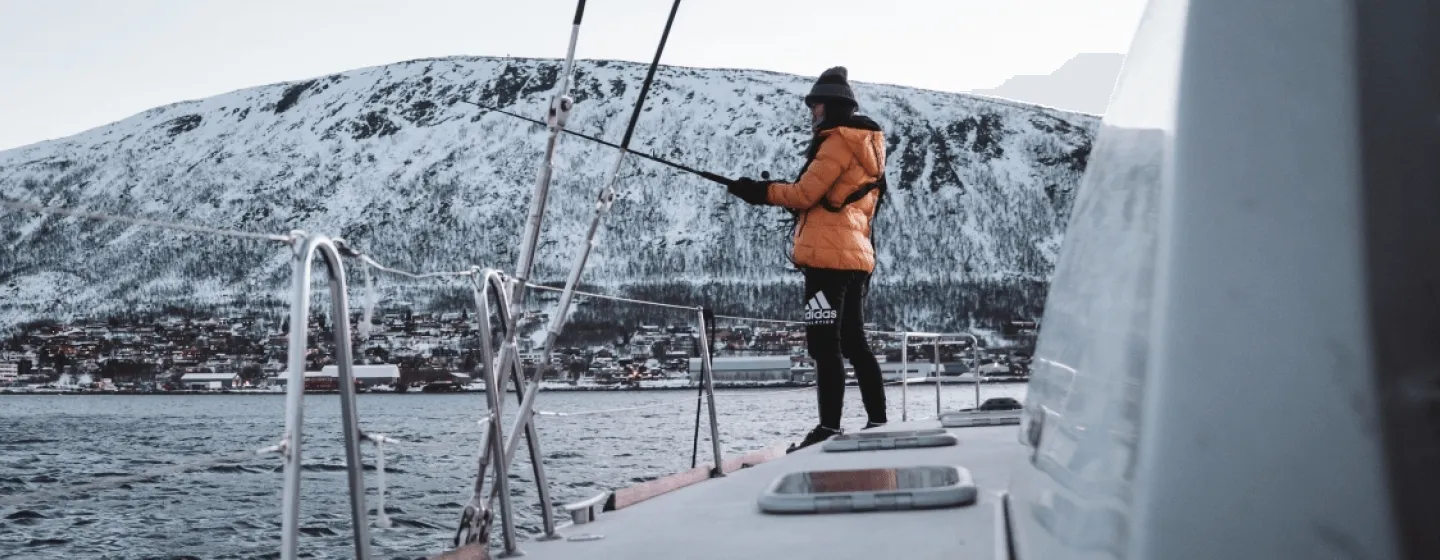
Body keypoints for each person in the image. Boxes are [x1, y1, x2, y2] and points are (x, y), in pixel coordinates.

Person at [726, 66, 888, 452]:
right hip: (856, 257)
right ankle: (878, 422)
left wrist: (759, 191)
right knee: (854, 343)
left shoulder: (837, 143)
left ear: (830, 107)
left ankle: (828, 427)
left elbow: (803, 195)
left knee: (824, 345)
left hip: (827, 260)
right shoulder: (868, 147)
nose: (811, 112)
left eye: (815, 105)